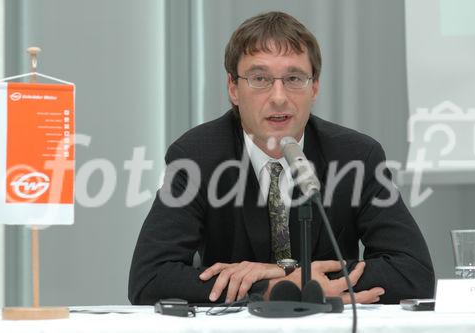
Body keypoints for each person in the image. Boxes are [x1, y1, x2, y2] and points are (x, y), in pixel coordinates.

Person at [128, 11, 434, 305]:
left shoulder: (355, 157)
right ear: (233, 88)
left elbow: (413, 272)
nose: (278, 97)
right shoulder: (196, 156)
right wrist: (269, 289)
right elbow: (149, 278)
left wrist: (290, 276)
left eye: (294, 78)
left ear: (314, 87)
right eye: (260, 79)